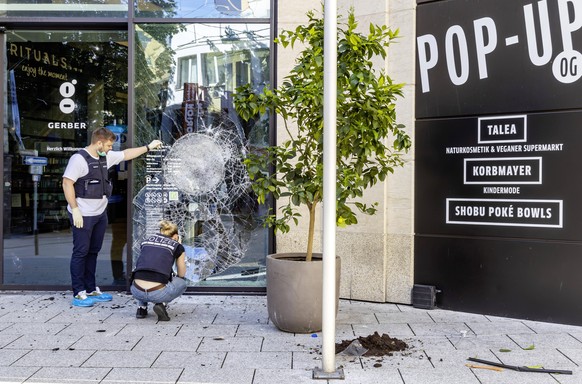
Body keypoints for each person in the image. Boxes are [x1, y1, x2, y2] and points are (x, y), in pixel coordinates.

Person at [62, 127, 162, 307]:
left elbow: (126, 154)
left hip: (100, 215)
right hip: (83, 215)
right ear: (99, 142)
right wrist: (75, 209)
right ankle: (78, 293)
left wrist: (148, 147)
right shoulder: (79, 159)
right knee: (80, 252)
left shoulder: (105, 157)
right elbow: (67, 182)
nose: (110, 148)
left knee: (93, 252)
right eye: (108, 145)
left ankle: (91, 289)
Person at [130, 220, 187, 321]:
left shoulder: (146, 241)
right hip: (157, 293)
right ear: (175, 236)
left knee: (144, 273)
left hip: (136, 290)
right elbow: (181, 274)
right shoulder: (177, 246)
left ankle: (141, 308)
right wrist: (179, 248)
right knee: (182, 283)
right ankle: (161, 303)